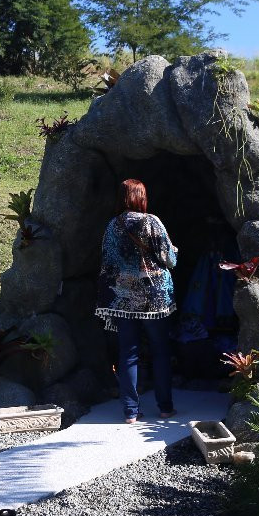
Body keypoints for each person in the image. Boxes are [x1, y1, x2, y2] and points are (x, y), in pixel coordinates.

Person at [95, 179, 178, 424]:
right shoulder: (151, 221)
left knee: (128, 353)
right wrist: (174, 251)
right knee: (160, 351)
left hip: (122, 297)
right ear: (140, 197)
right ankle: (165, 407)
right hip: (154, 297)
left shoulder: (112, 226)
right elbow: (169, 259)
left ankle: (130, 412)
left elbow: (107, 262)